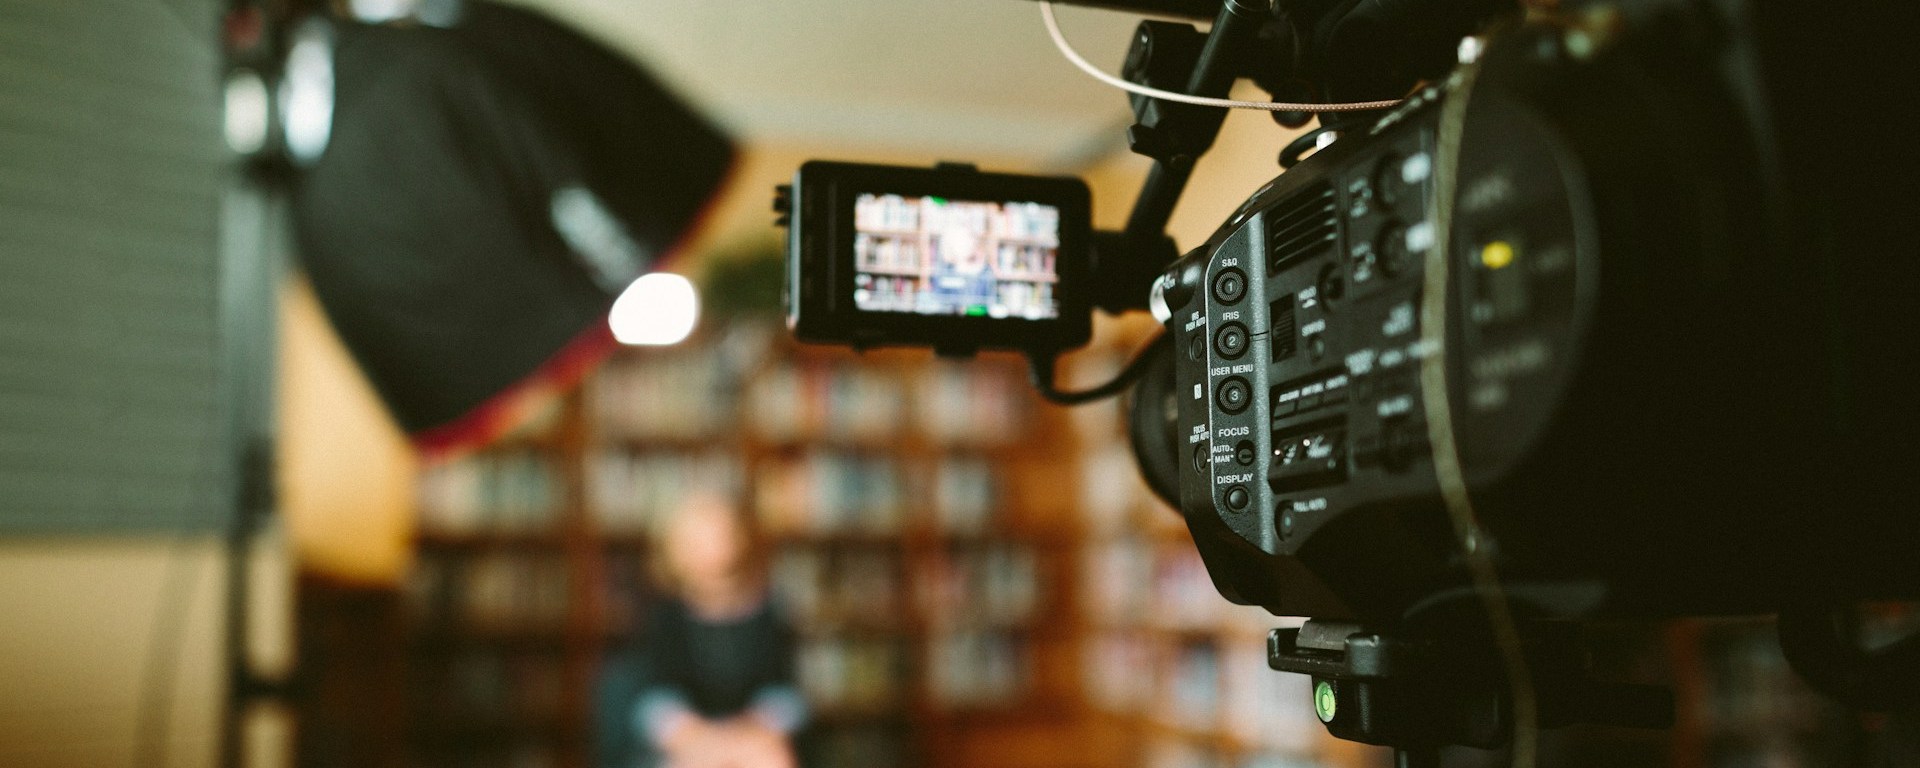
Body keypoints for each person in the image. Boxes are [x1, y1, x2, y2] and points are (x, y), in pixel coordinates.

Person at [600, 491, 806, 768]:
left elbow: (784, 690)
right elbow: (654, 695)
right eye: (698, 540)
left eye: (719, 534)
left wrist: (749, 731)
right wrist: (699, 738)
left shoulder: (767, 609)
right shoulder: (664, 615)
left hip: (753, 736)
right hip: (689, 739)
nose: (712, 547)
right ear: (676, 549)